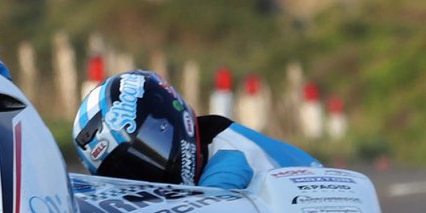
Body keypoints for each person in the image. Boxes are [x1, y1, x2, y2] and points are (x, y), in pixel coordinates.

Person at [72, 70, 316, 192]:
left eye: (150, 141)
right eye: (128, 171)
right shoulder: (212, 146)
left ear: (168, 114)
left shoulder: (229, 164)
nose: (146, 170)